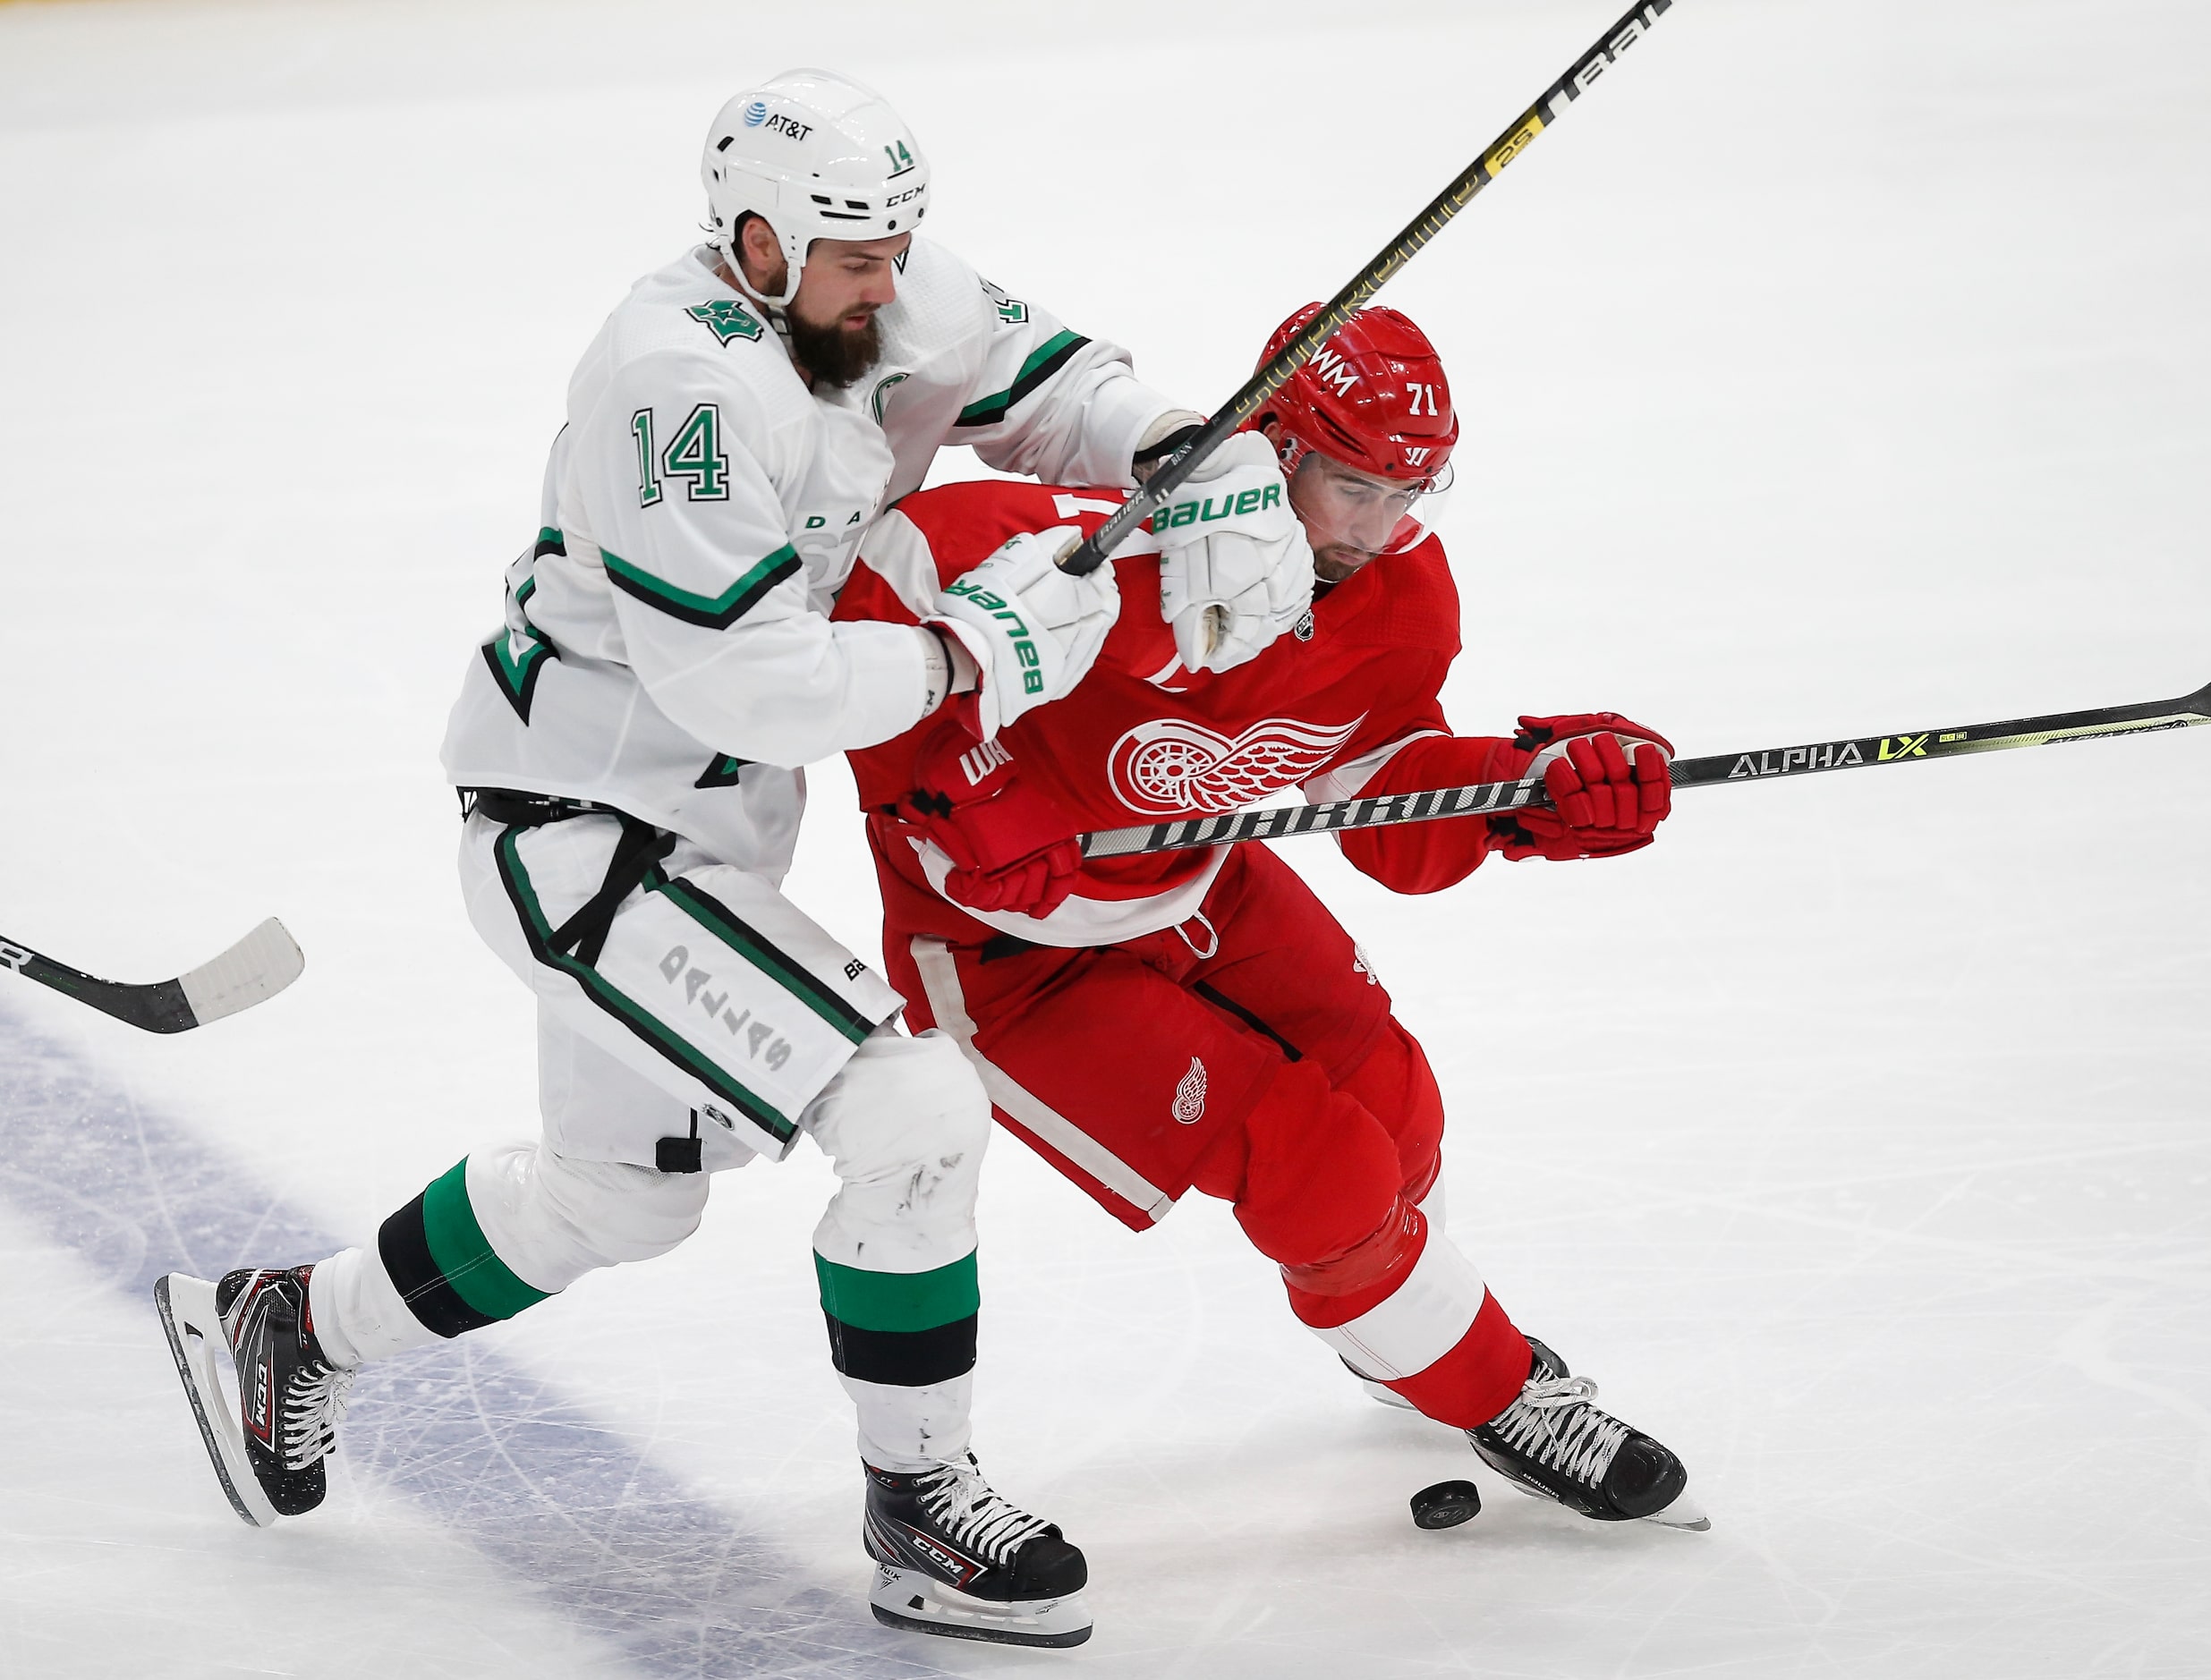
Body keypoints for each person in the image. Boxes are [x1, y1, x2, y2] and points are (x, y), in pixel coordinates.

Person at [151, 68, 1310, 1651]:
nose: (888, 286)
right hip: (584, 846)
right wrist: (976, 659)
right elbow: (737, 679)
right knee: (911, 1113)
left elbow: (1054, 384)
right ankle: (921, 1499)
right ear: (755, 240)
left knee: (622, 1195)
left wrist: (1192, 448)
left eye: (899, 250)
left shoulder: (885, 283)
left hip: (699, 834)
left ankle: (293, 1326)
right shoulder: (672, 387)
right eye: (853, 258)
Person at [829, 303, 1708, 1532]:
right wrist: (948, 791)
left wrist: (1518, 794)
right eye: (1354, 487)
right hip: (1016, 961)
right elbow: (888, 570)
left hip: (1201, 883)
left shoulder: (1398, 594)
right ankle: (1502, 1393)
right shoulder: (1118, 552)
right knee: (1321, 1162)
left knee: (1398, 1105)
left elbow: (1383, 808)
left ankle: (1399, 1327)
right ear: (1275, 444)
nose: (1380, 531)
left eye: (1414, 494)